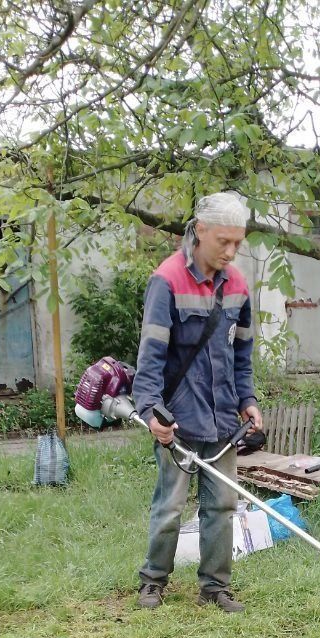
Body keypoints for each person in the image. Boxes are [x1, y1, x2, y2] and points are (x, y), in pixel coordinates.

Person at [131, 191, 263, 613]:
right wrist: (150, 411)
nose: (231, 252)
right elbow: (150, 357)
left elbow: (242, 354)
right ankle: (153, 581)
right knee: (170, 506)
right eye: (224, 241)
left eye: (238, 243)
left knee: (222, 505)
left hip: (223, 419)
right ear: (200, 231)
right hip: (178, 419)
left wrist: (247, 399)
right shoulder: (167, 280)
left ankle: (215, 587)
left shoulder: (238, 285)